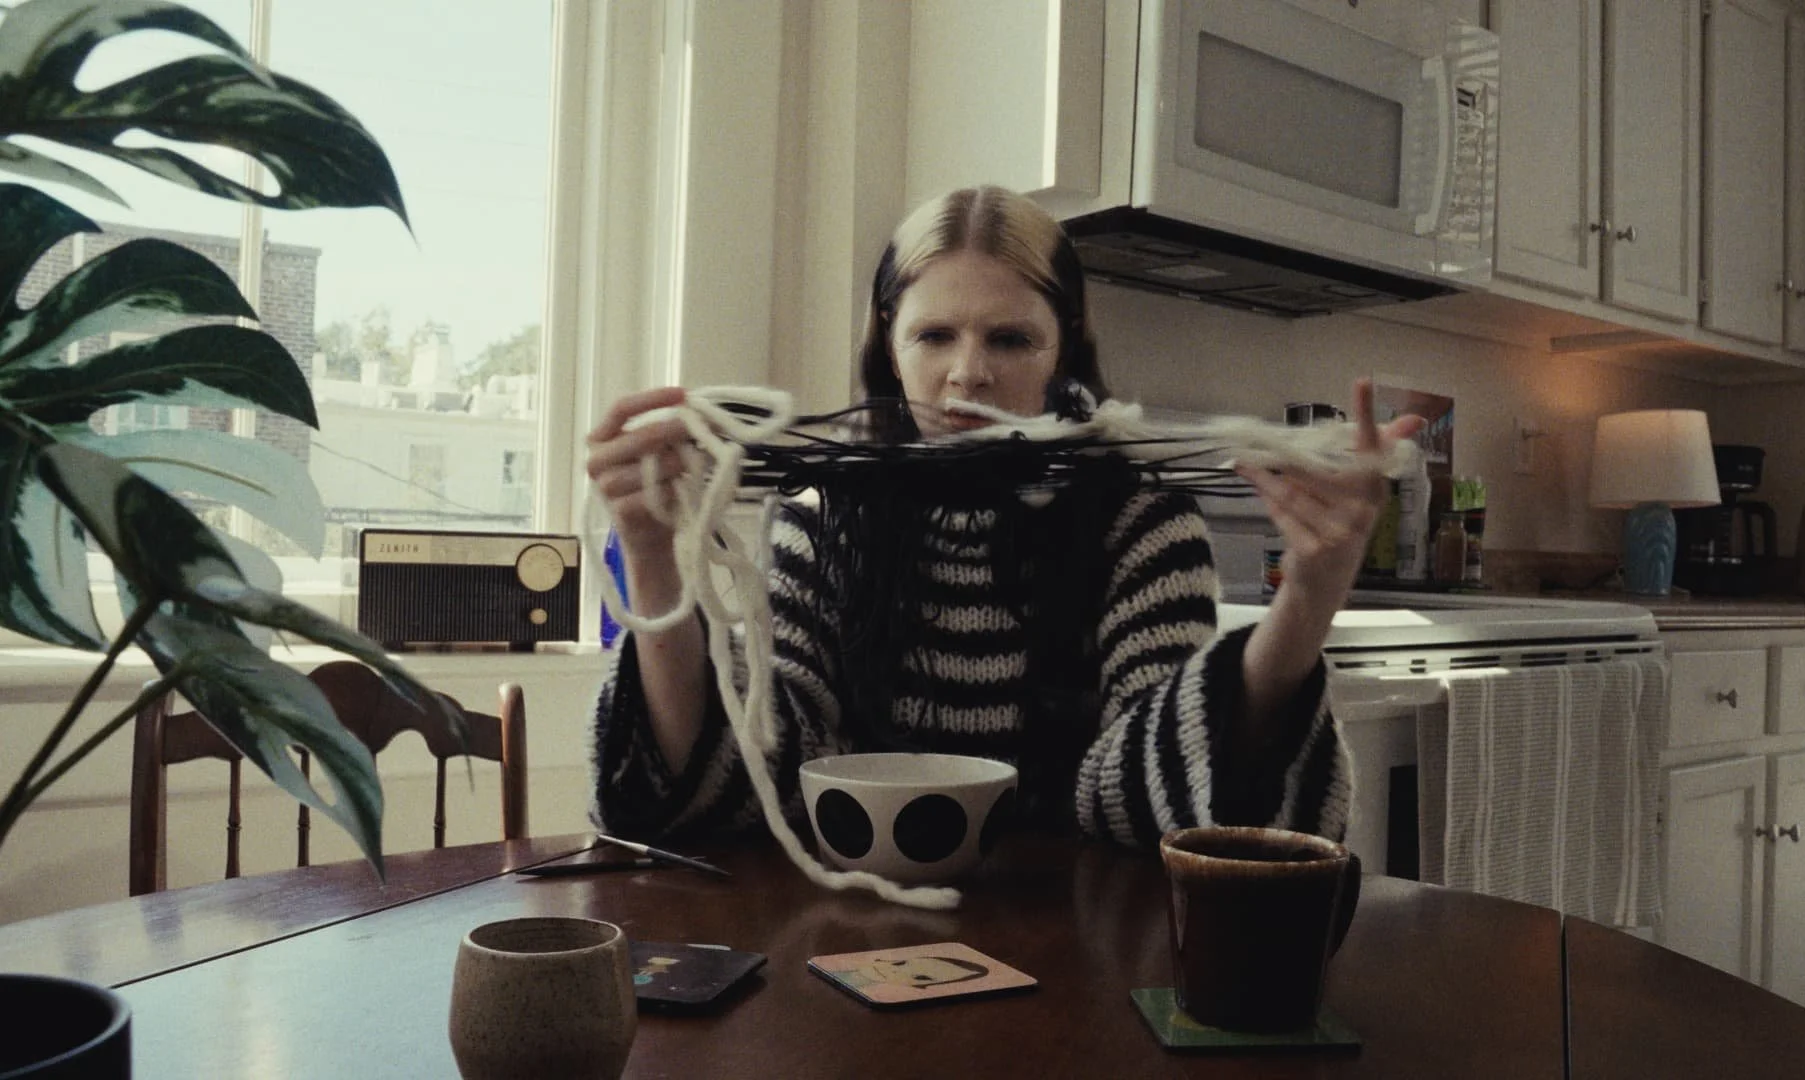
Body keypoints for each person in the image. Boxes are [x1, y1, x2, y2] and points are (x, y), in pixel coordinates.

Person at [584, 184, 1420, 849]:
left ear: (1065, 346)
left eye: (1011, 340)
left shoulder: (1141, 521)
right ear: (889, 342)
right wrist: (652, 551)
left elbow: (1157, 799)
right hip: (855, 952)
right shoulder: (820, 518)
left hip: (1085, 962)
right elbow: (764, 773)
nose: (968, 375)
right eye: (934, 335)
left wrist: (1306, 602)